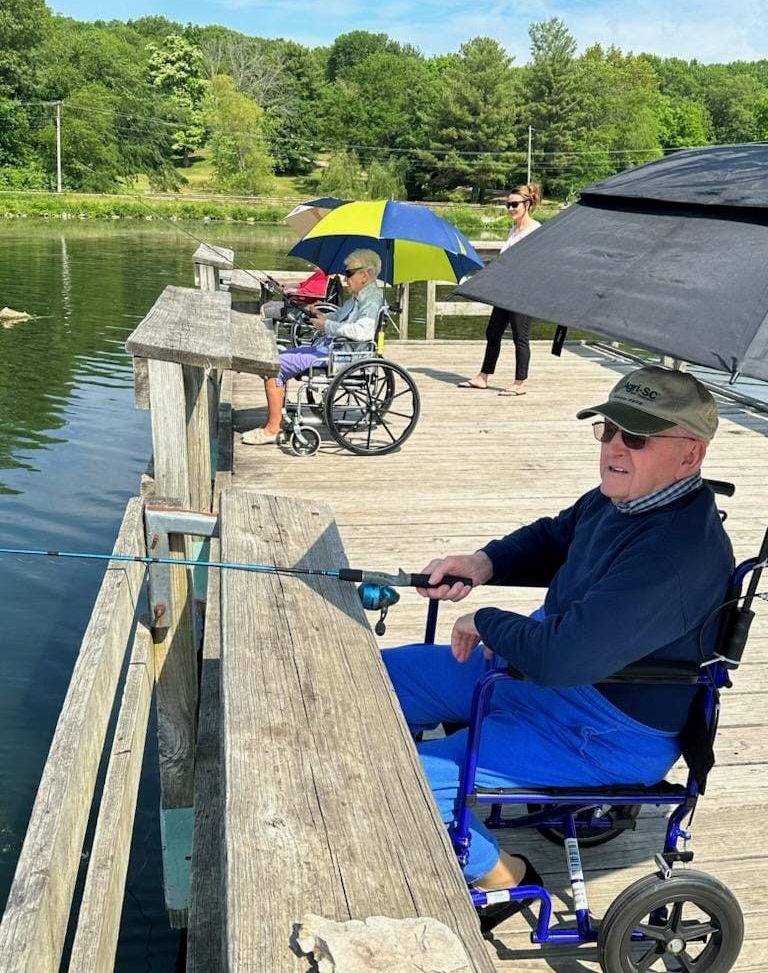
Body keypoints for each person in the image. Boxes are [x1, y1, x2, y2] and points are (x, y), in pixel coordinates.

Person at [383, 364, 732, 934]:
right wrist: (481, 564)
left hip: (603, 726)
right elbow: (557, 535)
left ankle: (509, 877)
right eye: (609, 429)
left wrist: (488, 619)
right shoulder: (622, 500)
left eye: (636, 437)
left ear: (690, 455)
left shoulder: (674, 556)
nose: (615, 447)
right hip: (540, 672)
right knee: (375, 683)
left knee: (403, 780)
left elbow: (559, 658)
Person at [242, 249, 384, 445]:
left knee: (274, 367)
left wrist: (327, 325)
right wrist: (319, 315)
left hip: (342, 356)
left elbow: (363, 333)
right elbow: (340, 317)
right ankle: (274, 421)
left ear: (364, 275)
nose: (345, 279)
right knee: (276, 356)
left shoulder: (371, 300)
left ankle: (273, 429)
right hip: (331, 348)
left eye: (349, 274)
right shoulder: (360, 297)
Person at [458, 183, 542, 396]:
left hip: (522, 293)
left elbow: (536, 264)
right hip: (504, 292)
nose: (511, 208)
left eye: (514, 204)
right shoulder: (513, 230)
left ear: (527, 204)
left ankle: (519, 383)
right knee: (492, 332)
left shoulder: (536, 231)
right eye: (508, 205)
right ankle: (483, 377)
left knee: (520, 337)